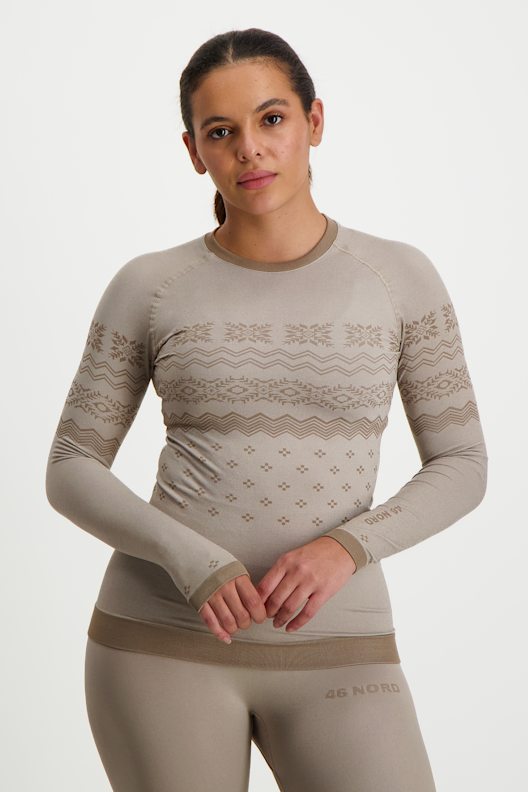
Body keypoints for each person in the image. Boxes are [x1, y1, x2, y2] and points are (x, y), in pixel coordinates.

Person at [45, 26, 487, 792]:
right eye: (221, 132)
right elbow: (71, 467)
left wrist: (347, 547)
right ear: (194, 152)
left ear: (314, 121)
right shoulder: (150, 285)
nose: (249, 148)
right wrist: (191, 559)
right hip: (159, 643)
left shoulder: (399, 278)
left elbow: (463, 463)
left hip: (344, 649)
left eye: (271, 119)